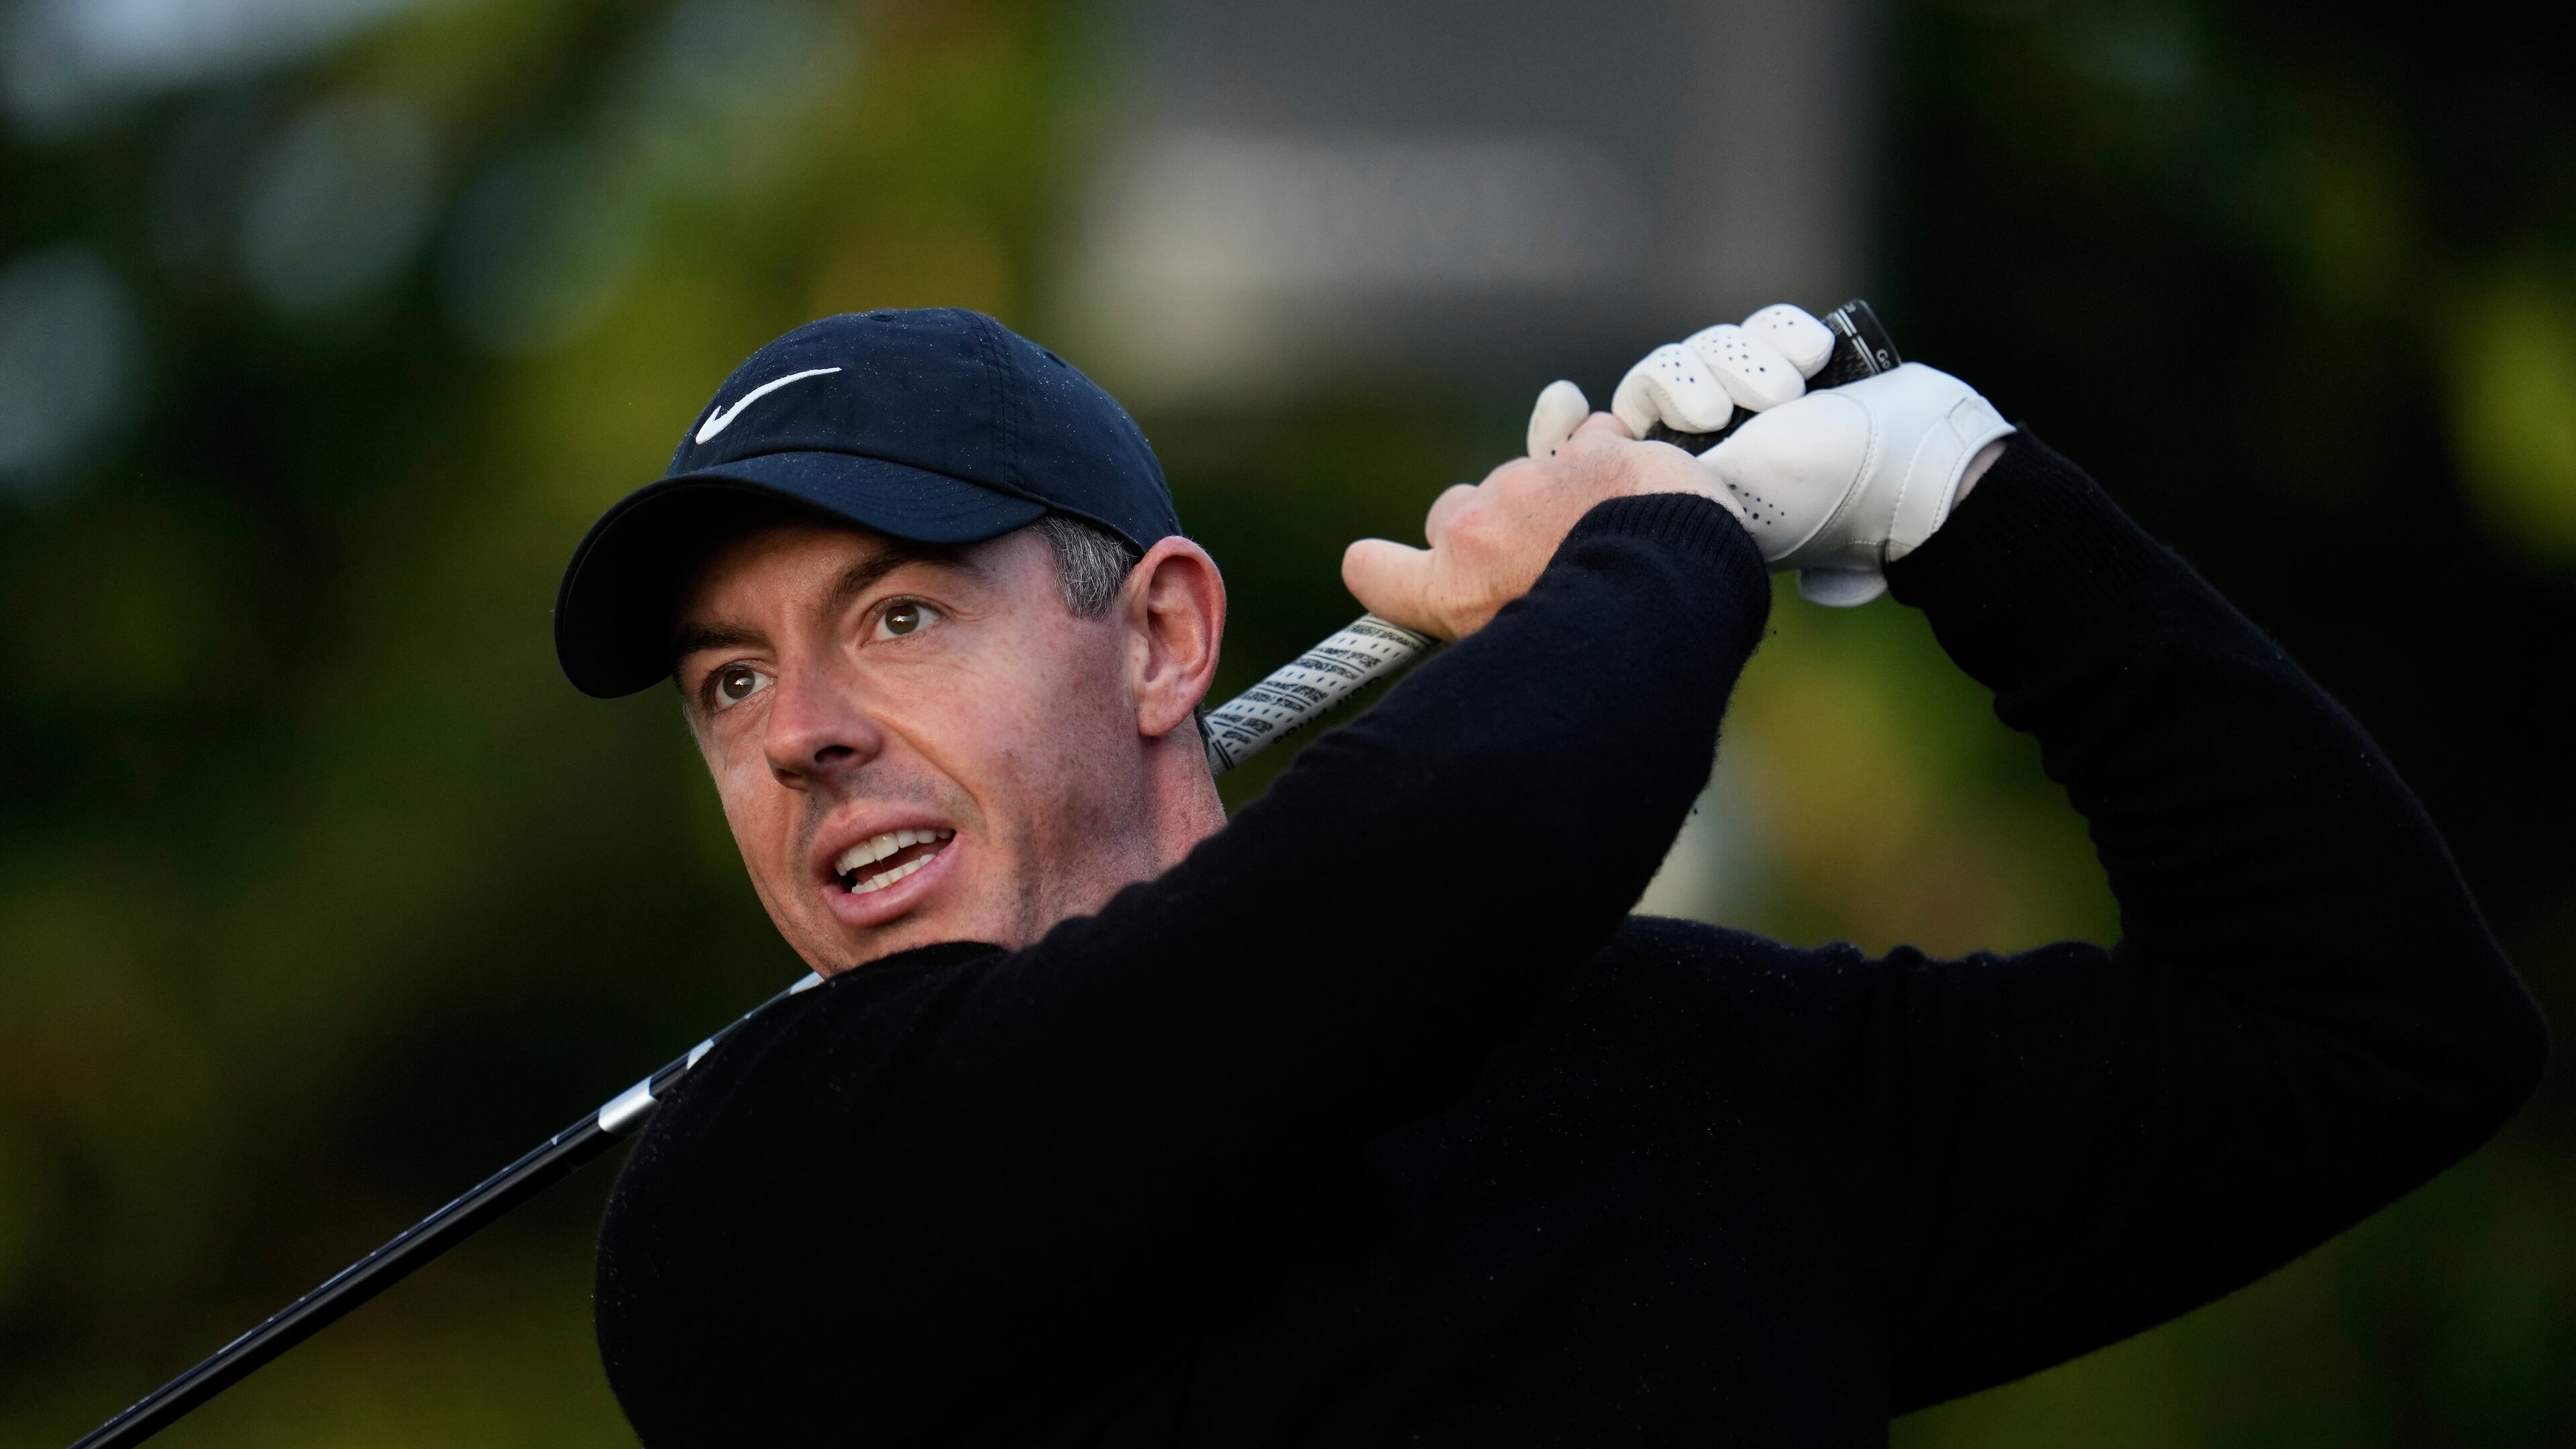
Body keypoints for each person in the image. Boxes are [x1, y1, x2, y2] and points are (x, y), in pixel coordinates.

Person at [551, 305, 2544, 1446]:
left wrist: (1968, 497)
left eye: (897, 619)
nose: (799, 729)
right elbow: (1408, 895)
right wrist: (1650, 552)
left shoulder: (1680, 1076)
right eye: (732, 680)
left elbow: (2367, 1032)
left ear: (1162, 640)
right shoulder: (755, 1206)